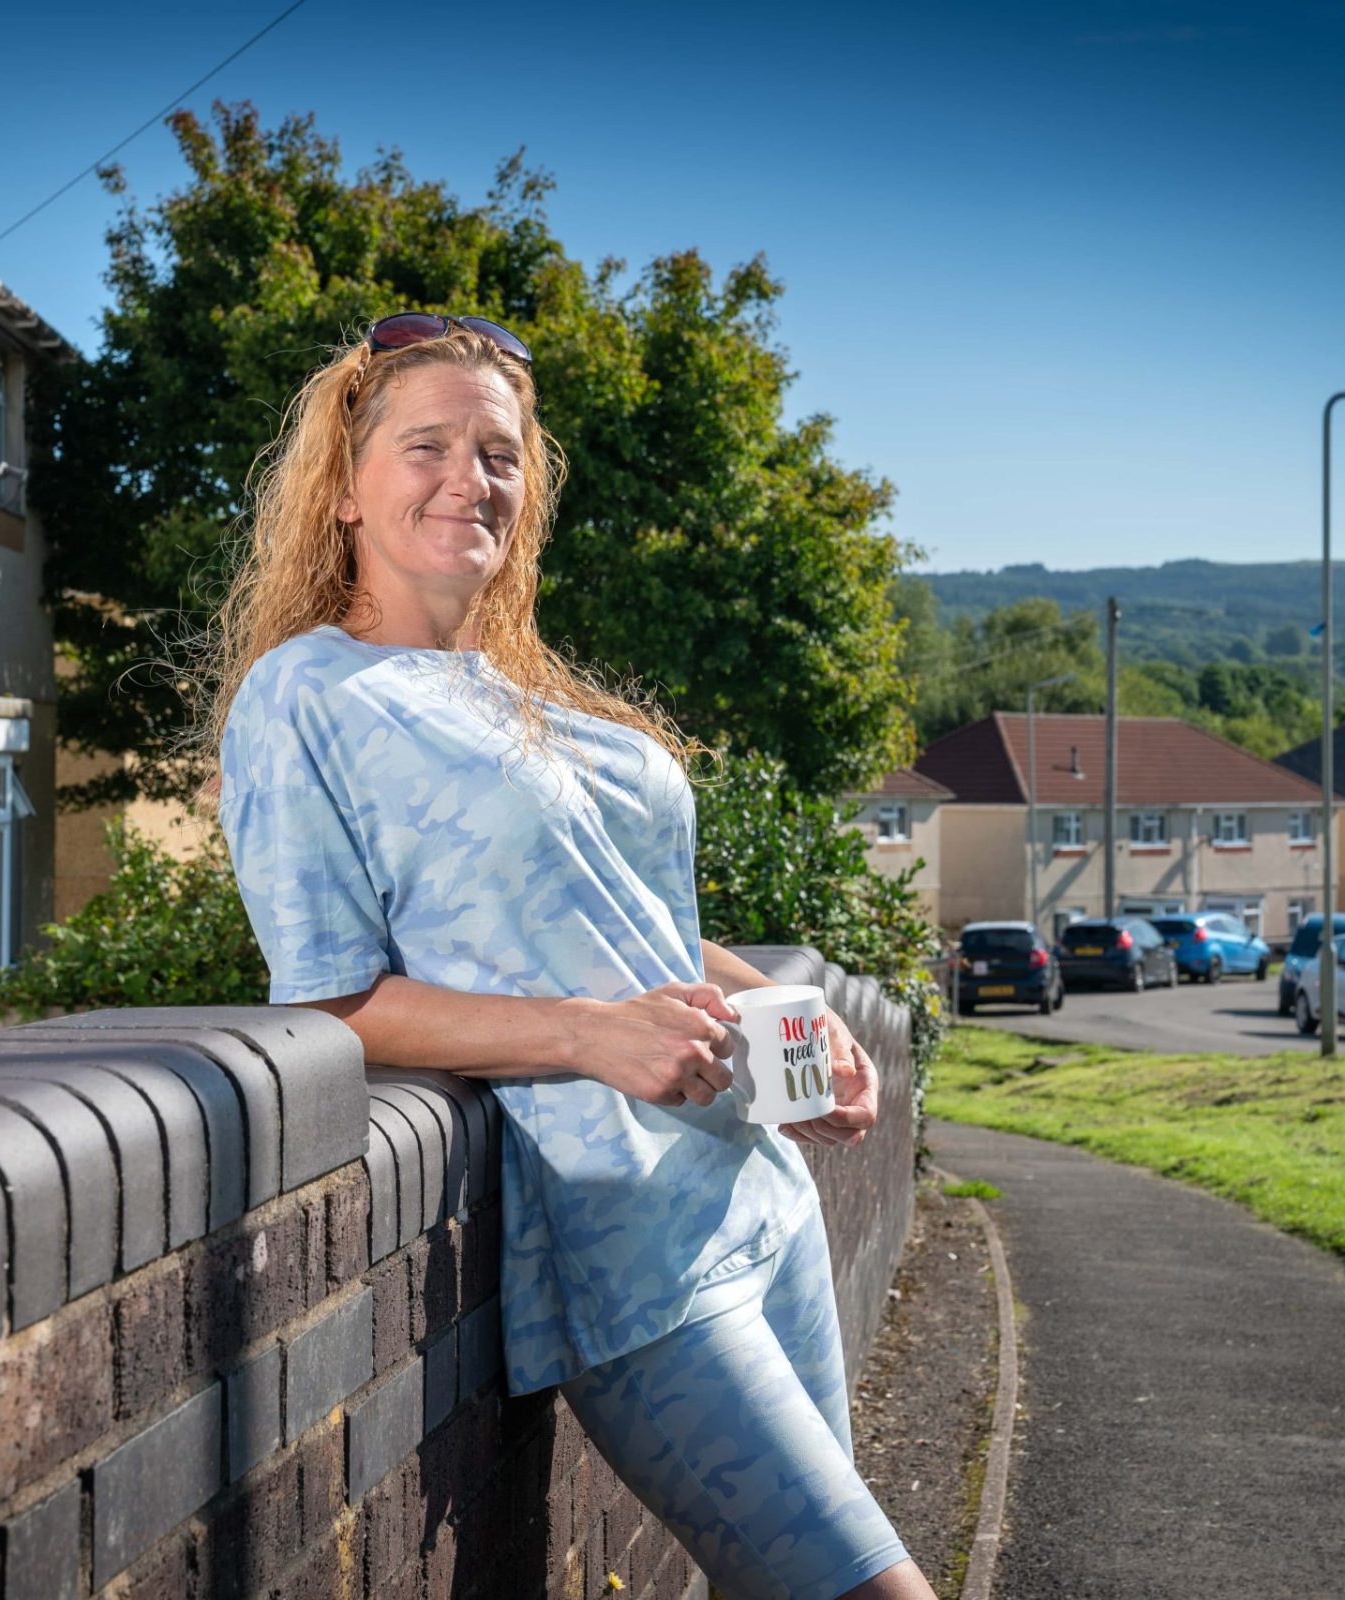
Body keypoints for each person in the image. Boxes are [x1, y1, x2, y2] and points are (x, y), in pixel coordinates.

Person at [204, 311, 937, 1600]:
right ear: (344, 488)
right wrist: (587, 1037)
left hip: (761, 1192)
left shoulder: (514, 691)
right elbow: (329, 1000)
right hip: (632, 1255)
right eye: (426, 444)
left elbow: (637, 928)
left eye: (498, 452)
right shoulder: (306, 696)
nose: (468, 476)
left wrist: (786, 1019)